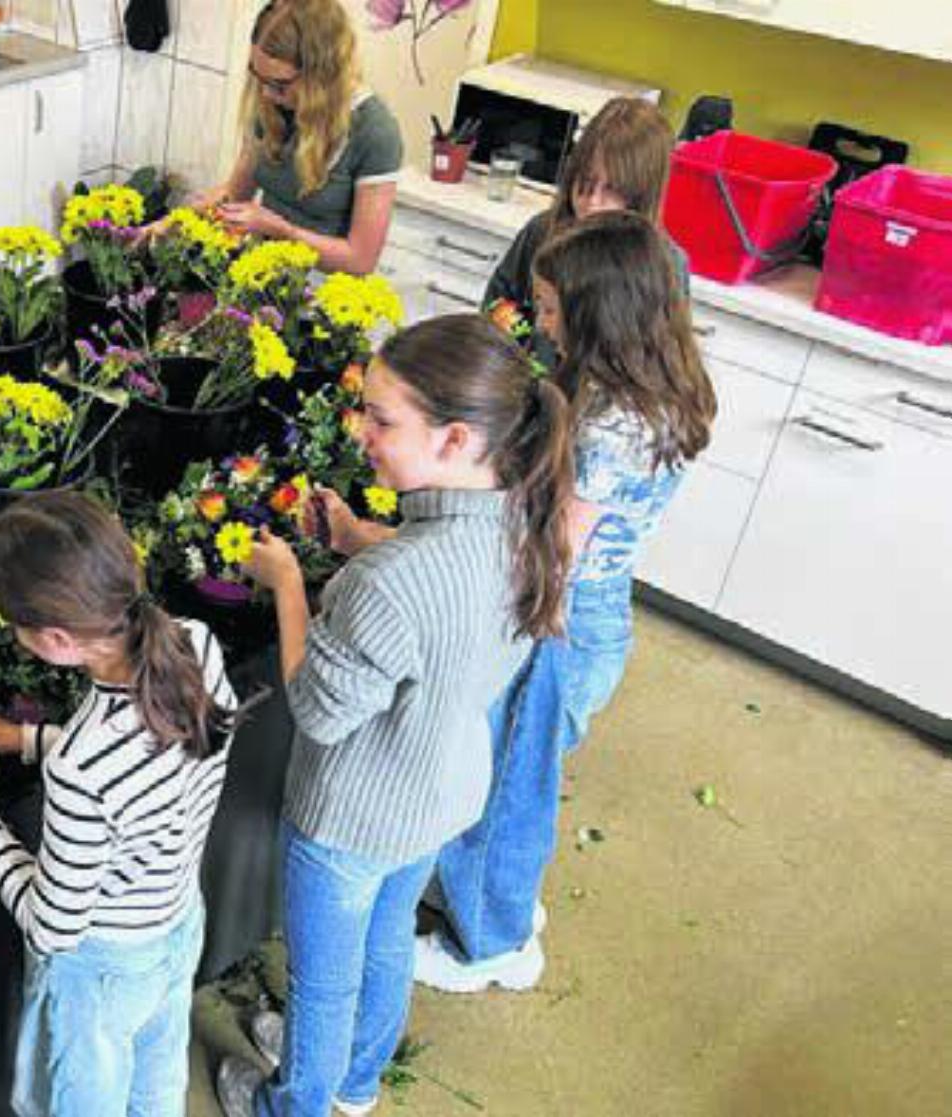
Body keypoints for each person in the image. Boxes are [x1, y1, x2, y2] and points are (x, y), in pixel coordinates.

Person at [215, 315, 575, 1117]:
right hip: (440, 792)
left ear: (452, 439)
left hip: (352, 817)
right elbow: (443, 583)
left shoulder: (388, 585)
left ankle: (296, 1100)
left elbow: (316, 706)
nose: (362, 431)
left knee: (324, 976)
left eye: (381, 419)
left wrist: (287, 584)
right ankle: (357, 1079)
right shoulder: (529, 524)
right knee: (385, 942)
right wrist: (356, 536)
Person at [418, 211, 717, 992]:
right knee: (523, 784)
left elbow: (553, 550)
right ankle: (497, 901)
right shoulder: (649, 389)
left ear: (599, 314)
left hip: (559, 627)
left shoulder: (614, 430)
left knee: (505, 784)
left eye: (550, 309)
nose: (540, 320)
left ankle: (492, 946)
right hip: (594, 614)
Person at [0, 491, 240, 1117]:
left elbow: (53, 925)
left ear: (57, 639)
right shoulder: (194, 645)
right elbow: (153, 760)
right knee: (156, 1087)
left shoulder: (80, 768)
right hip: (178, 920)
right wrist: (24, 738)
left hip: (102, 972)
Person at [195, 0, 403, 275]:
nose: (267, 94)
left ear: (322, 74)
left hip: (324, 300)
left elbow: (359, 261)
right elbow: (234, 193)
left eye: (280, 85)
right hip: (260, 281)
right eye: (259, 78)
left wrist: (283, 232)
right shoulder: (272, 104)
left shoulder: (374, 131)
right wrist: (173, 223)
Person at [483, 95, 687, 365]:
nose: (592, 202)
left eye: (612, 190)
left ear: (642, 196)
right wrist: (523, 349)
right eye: (586, 182)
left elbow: (660, 361)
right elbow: (498, 302)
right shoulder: (542, 231)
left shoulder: (665, 265)